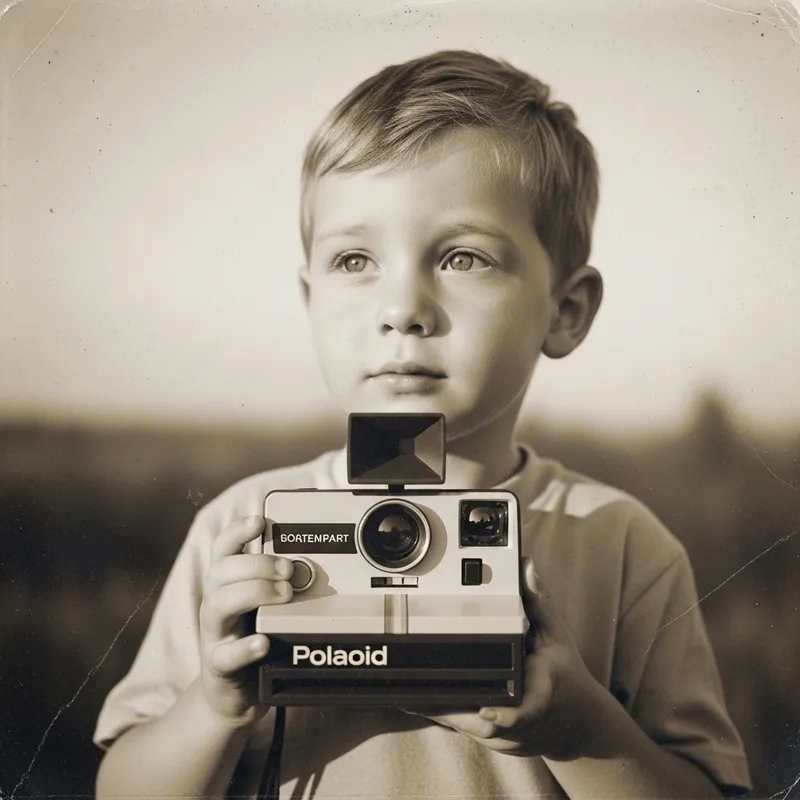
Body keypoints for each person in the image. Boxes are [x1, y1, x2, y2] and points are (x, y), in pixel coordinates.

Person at [94, 50, 751, 798]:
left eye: (463, 257)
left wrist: (579, 731)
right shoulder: (242, 531)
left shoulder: (623, 544)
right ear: (309, 298)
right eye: (353, 260)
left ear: (565, 311)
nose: (401, 307)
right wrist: (213, 707)